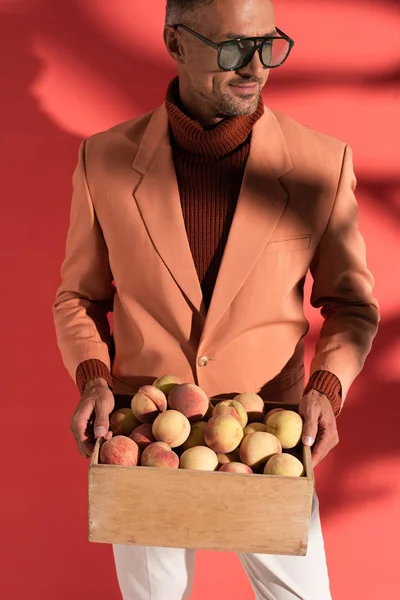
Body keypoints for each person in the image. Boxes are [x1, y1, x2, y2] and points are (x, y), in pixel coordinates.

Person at [53, 0, 379, 598]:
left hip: (272, 433)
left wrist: (326, 389)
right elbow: (78, 295)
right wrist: (94, 379)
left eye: (268, 44)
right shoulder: (102, 159)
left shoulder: (321, 163)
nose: (255, 66)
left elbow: (352, 304)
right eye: (232, 48)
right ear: (176, 44)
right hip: (144, 434)